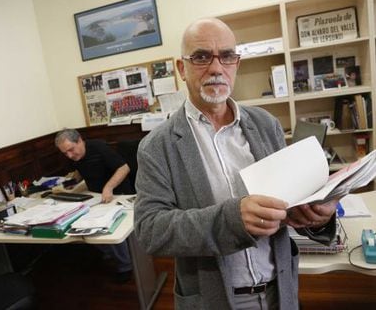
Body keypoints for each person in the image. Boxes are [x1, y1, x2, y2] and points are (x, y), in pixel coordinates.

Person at [134, 18, 337, 310]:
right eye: (202, 57)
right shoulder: (157, 146)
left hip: (280, 291)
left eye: (227, 56)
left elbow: (291, 199)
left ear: (236, 64)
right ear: (182, 68)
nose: (217, 68)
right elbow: (150, 230)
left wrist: (316, 215)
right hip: (214, 299)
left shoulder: (266, 124)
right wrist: (231, 220)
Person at [55, 128, 133, 282]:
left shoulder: (98, 147)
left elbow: (124, 168)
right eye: (65, 153)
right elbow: (81, 170)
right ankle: (111, 252)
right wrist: (70, 183)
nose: (69, 155)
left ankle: (126, 266)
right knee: (82, 225)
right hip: (96, 197)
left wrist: (108, 187)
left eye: (71, 150)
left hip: (117, 195)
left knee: (109, 226)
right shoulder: (75, 156)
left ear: (80, 140)